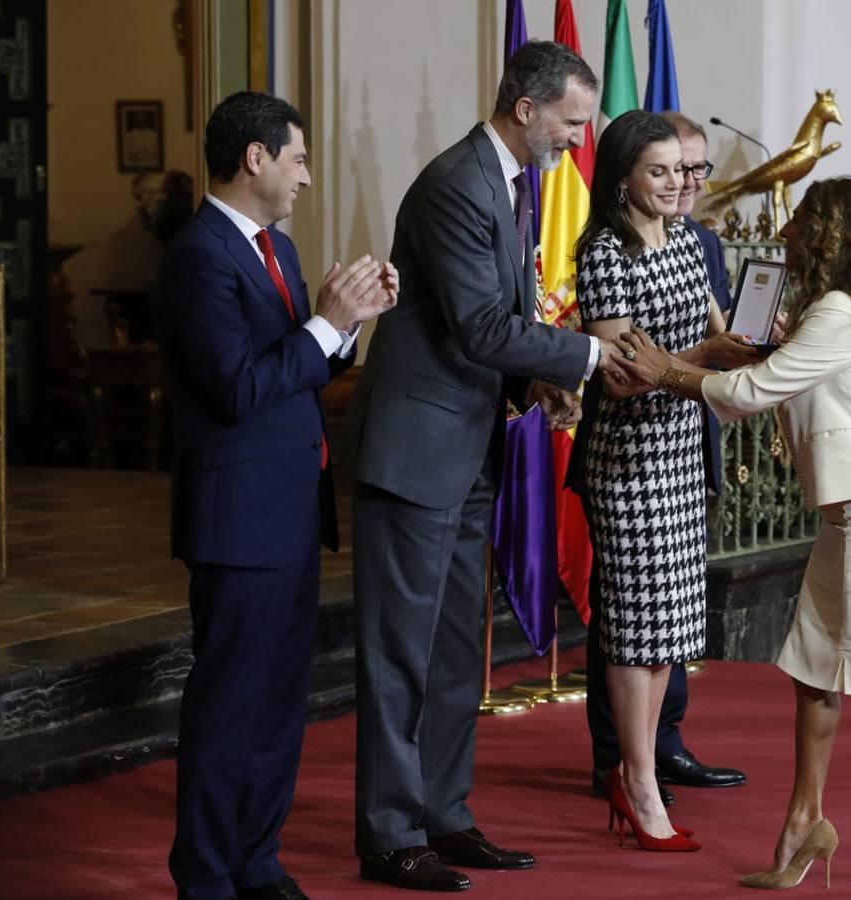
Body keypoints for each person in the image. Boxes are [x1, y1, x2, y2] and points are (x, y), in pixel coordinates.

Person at [614, 176, 851, 891]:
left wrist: (667, 370)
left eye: (802, 223)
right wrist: (749, 361)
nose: (786, 234)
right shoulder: (835, 312)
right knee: (815, 668)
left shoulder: (841, 312)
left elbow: (752, 397)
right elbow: (770, 390)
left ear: (831, 236)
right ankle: (803, 822)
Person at [345, 41, 626, 891]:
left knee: (459, 651)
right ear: (523, 106)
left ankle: (444, 813)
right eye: (571, 123)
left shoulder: (509, 180)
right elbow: (478, 326)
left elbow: (493, 328)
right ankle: (390, 834)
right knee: (402, 652)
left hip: (470, 449)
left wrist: (539, 382)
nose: (579, 143)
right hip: (415, 454)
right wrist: (586, 356)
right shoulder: (456, 183)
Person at [155, 90, 396, 900]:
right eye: (297, 157)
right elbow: (234, 387)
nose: (307, 176)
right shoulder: (197, 256)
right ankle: (208, 875)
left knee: (279, 704)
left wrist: (350, 321)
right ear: (254, 158)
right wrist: (323, 327)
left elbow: (304, 372)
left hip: (294, 513)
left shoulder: (279, 252)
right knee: (229, 706)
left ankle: (256, 860)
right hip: (236, 520)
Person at [573, 109, 758, 851]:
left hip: (681, 447)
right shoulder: (603, 254)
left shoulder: (687, 240)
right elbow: (617, 379)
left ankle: (639, 771)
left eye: (682, 171)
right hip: (626, 459)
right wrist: (704, 353)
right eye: (661, 171)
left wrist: (748, 347)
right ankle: (637, 778)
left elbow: (718, 336)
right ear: (622, 179)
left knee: (665, 633)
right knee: (630, 628)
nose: (678, 183)